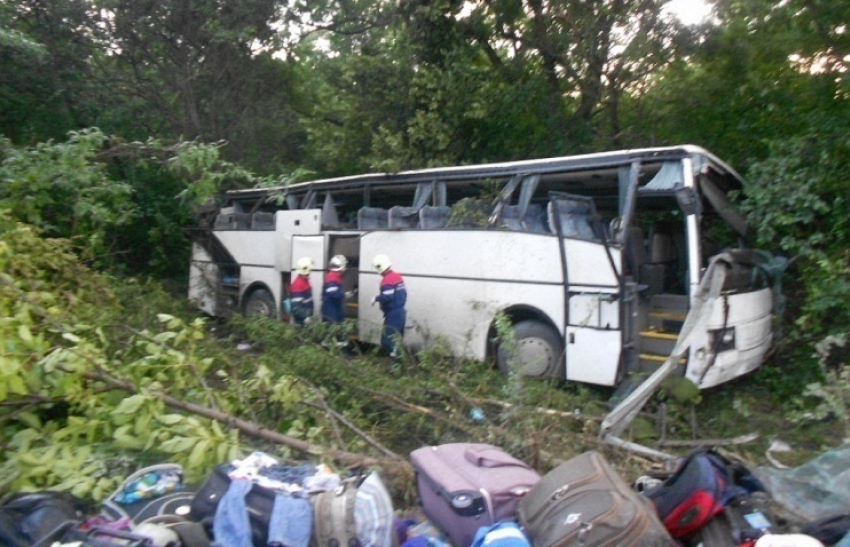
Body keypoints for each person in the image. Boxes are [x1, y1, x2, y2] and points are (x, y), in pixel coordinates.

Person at [371, 254, 406, 358]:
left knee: (387, 341)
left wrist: (376, 298)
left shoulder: (387, 280)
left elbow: (388, 296)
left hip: (393, 314)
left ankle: (397, 364)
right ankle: (399, 366)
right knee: (397, 339)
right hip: (400, 312)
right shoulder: (398, 277)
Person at [322, 254, 349, 324]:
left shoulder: (335, 276)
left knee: (339, 325)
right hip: (331, 307)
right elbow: (332, 294)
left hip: (335, 306)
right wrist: (344, 295)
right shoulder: (332, 277)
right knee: (334, 327)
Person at [289, 257, 314, 326]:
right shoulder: (298, 285)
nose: (309, 273)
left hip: (306, 314)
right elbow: (296, 306)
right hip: (301, 318)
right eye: (308, 272)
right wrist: (305, 316)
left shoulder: (305, 281)